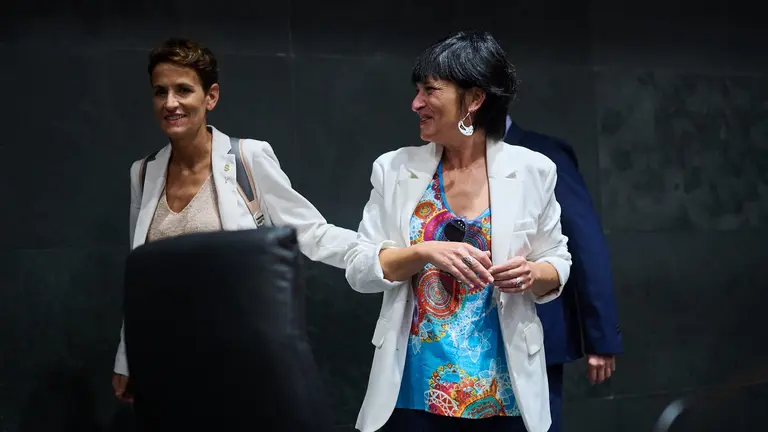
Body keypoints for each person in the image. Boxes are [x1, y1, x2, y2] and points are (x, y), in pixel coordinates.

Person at [345, 31, 572, 432]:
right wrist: (424, 252)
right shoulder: (394, 169)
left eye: (430, 90)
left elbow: (557, 258)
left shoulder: (534, 170)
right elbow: (361, 267)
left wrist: (533, 274)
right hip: (412, 389)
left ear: (474, 99)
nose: (416, 103)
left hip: (503, 391)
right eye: (417, 90)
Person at [111, 37, 357, 402]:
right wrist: (126, 357)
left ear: (210, 97)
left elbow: (311, 232)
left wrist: (379, 255)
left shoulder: (248, 158)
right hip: (163, 361)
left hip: (237, 361)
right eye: (160, 92)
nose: (170, 103)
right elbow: (141, 278)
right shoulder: (143, 173)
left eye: (183, 90)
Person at [504, 117, 622, 432]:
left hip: (533, 334)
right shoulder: (442, 156)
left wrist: (601, 338)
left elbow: (583, 240)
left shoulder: (543, 153)